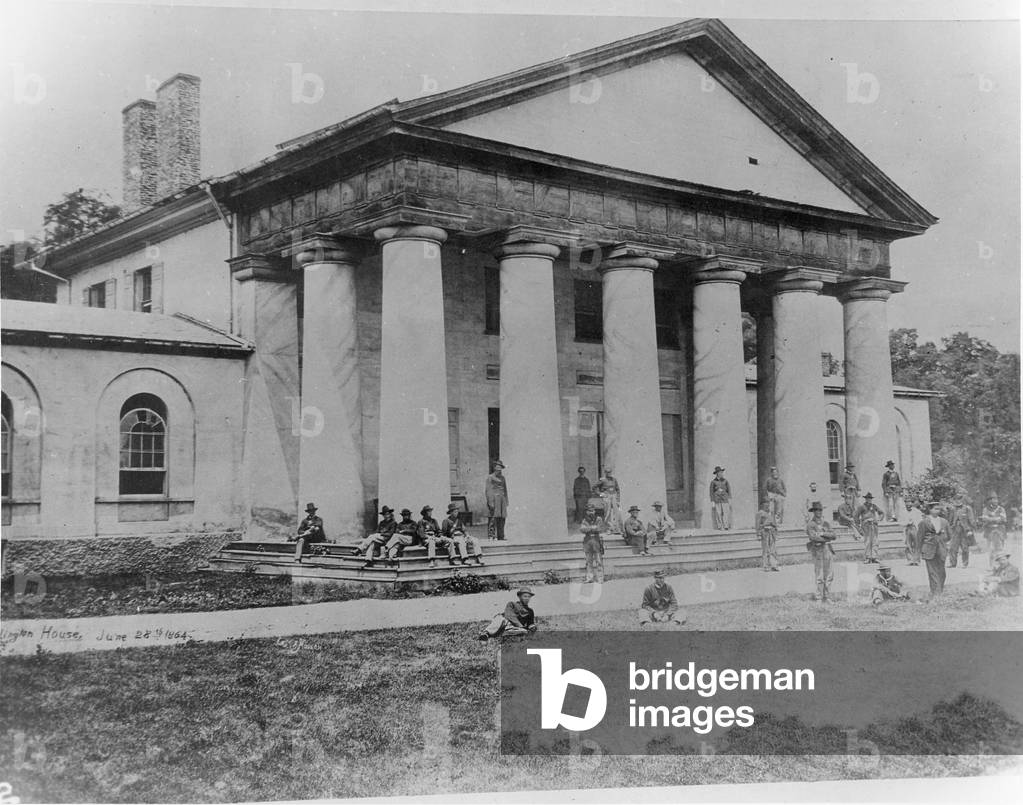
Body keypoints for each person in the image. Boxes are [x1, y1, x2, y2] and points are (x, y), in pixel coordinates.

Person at [915, 501, 950, 597]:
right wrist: (917, 553)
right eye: (935, 509)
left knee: (942, 572)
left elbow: (949, 536)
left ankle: (940, 590)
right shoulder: (924, 522)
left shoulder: (944, 522)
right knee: (932, 572)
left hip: (941, 549)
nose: (938, 511)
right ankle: (935, 593)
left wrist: (942, 540)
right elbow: (919, 538)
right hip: (928, 549)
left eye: (939, 509)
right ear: (930, 510)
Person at [806, 502, 836, 602]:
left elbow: (834, 535)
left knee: (829, 574)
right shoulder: (811, 524)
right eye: (816, 510)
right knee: (819, 575)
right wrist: (827, 538)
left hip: (827, 549)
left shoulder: (826, 523)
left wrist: (823, 533)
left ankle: (827, 596)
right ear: (813, 512)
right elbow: (813, 537)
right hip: (817, 550)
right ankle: (819, 597)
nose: (819, 512)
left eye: (820, 510)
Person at [948, 495, 976, 569]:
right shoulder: (952, 509)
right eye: (956, 499)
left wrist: (970, 530)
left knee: (965, 548)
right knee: (952, 548)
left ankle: (965, 563)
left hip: (964, 531)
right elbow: (950, 520)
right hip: (955, 530)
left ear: (962, 500)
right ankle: (953, 563)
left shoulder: (967, 508)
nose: (958, 501)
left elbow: (972, 520)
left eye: (959, 499)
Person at [854, 492, 883, 564]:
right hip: (866, 525)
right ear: (865, 499)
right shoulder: (862, 507)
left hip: (874, 525)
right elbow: (856, 516)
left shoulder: (874, 506)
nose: (869, 500)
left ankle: (874, 557)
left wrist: (879, 519)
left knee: (875, 541)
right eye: (867, 498)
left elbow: (881, 513)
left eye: (870, 498)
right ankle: (868, 557)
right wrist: (858, 527)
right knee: (867, 541)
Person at [580, 503, 605, 583]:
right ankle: (589, 578)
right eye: (589, 511)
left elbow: (600, 528)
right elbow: (582, 529)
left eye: (592, 511)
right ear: (586, 512)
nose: (591, 512)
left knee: (599, 560)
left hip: (596, 540)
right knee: (589, 561)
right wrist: (592, 528)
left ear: (594, 511)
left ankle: (600, 578)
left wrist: (589, 528)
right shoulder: (584, 520)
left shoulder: (598, 519)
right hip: (587, 541)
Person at [980, 494, 1007, 566]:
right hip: (989, 531)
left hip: (1000, 531)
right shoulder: (986, 509)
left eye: (996, 499)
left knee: (1000, 549)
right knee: (991, 549)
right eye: (993, 499)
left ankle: (1000, 566)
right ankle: (991, 566)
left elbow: (1004, 519)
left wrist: (990, 519)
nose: (995, 501)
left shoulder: (1001, 509)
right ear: (990, 500)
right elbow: (984, 519)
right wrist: (997, 519)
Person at [484, 460, 509, 541]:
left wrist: (506, 501)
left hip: (502, 500)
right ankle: (491, 535)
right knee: (493, 518)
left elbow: (505, 490)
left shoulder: (503, 478)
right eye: (497, 468)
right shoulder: (490, 477)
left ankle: (501, 535)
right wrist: (490, 502)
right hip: (494, 500)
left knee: (502, 518)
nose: (499, 470)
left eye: (500, 468)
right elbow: (488, 490)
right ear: (494, 468)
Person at [596, 467, 622, 534]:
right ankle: (608, 529)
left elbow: (618, 489)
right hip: (606, 497)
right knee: (607, 513)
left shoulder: (614, 479)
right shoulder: (602, 480)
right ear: (605, 473)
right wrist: (601, 494)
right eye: (607, 472)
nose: (609, 474)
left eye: (610, 472)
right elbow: (594, 488)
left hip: (614, 496)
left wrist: (618, 499)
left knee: (616, 513)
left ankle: (616, 528)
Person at [756, 499, 780, 572]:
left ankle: (774, 565)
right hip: (765, 532)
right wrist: (758, 534)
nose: (767, 506)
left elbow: (774, 523)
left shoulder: (771, 512)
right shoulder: (760, 513)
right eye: (765, 504)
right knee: (765, 549)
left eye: (768, 504)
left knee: (773, 549)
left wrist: (776, 531)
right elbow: (757, 524)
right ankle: (766, 566)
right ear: (762, 506)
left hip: (772, 532)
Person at [903, 500, 923, 565]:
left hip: (915, 528)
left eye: (909, 502)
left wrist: (915, 522)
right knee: (908, 544)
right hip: (907, 528)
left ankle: (917, 560)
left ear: (912, 503)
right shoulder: (903, 512)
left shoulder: (917, 511)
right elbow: (900, 521)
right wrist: (906, 523)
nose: (908, 504)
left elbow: (920, 520)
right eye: (906, 503)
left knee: (916, 544)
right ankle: (910, 560)